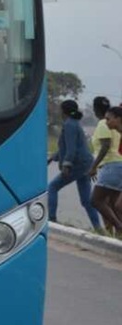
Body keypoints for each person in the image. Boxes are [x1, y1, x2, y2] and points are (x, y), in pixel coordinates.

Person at [47, 99, 102, 232]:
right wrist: (52, 157)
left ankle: (52, 219)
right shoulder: (74, 123)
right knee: (86, 200)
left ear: (64, 111)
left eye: (60, 110)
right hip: (85, 164)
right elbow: (66, 147)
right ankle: (98, 228)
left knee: (52, 187)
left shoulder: (69, 125)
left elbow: (71, 149)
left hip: (77, 165)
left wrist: (67, 165)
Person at [90, 99, 122, 235]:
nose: (107, 121)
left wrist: (93, 167)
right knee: (115, 205)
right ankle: (117, 233)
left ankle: (119, 228)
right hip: (116, 165)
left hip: (111, 166)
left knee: (96, 200)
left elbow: (105, 146)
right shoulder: (117, 132)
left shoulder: (101, 125)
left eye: (109, 119)